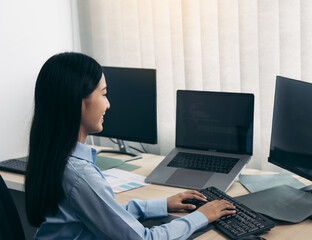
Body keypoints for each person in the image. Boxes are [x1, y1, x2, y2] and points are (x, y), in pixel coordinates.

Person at [25, 52, 236, 239]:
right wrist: (201, 216)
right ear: (79, 101)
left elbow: (105, 213)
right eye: (104, 94)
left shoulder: (54, 156)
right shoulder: (80, 175)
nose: (108, 104)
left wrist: (161, 205)